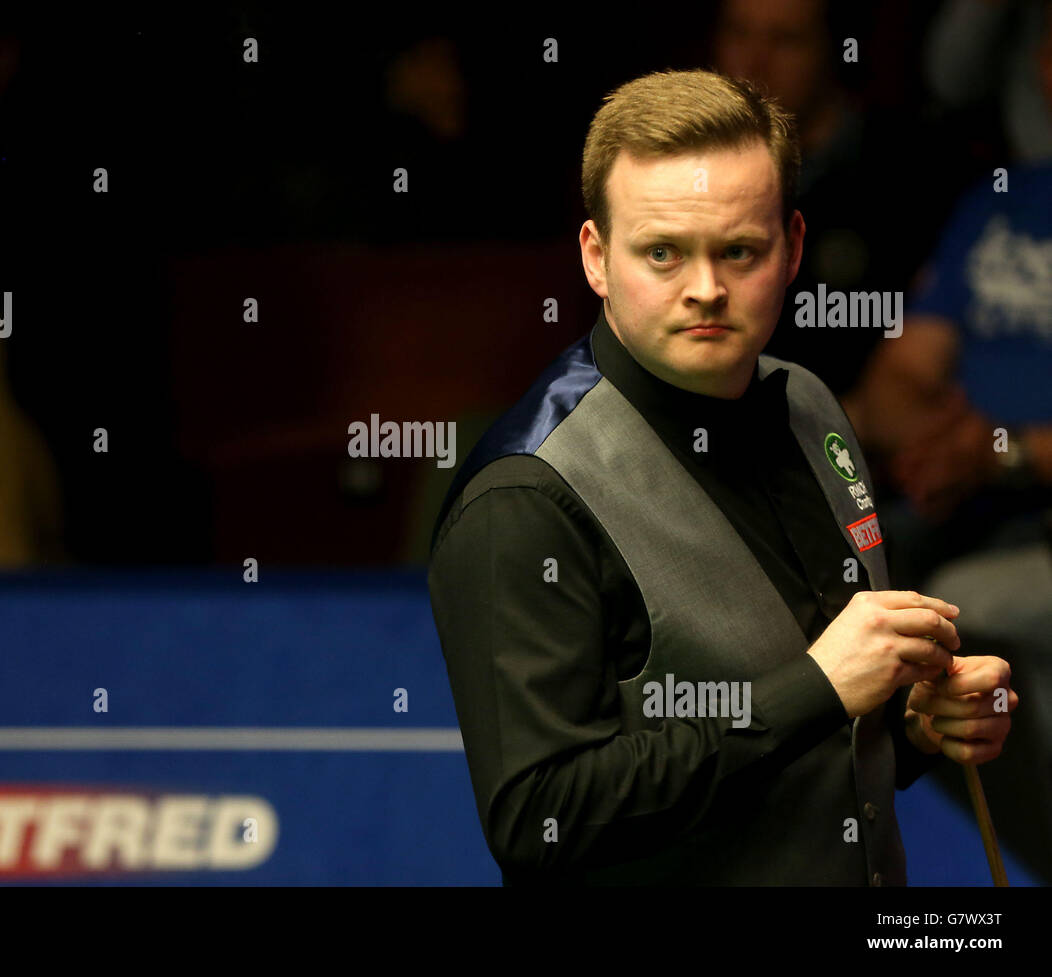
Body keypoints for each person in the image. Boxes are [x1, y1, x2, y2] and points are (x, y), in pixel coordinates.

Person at [427, 69, 1017, 885]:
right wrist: (815, 689)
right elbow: (540, 819)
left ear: (794, 247)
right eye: (662, 252)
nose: (705, 289)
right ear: (597, 258)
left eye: (739, 250)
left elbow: (824, 743)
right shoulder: (527, 496)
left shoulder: (811, 407)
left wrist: (915, 726)